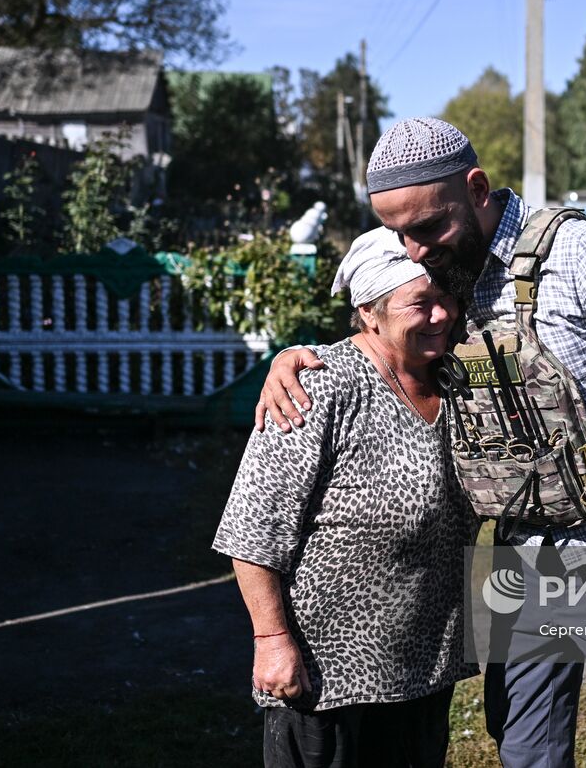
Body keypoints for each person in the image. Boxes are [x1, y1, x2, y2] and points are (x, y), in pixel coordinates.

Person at [257, 117, 586, 766]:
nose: (413, 250)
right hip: (521, 553)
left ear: (476, 189)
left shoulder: (583, 254)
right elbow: (382, 321)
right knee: (524, 742)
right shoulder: (442, 262)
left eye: (425, 228)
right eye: (398, 233)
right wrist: (298, 358)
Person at [213, 227, 478, 768]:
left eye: (447, 298)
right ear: (369, 312)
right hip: (328, 676)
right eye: (420, 303)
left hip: (427, 663)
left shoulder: (457, 380)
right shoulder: (317, 386)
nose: (441, 315)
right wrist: (271, 639)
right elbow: (252, 527)